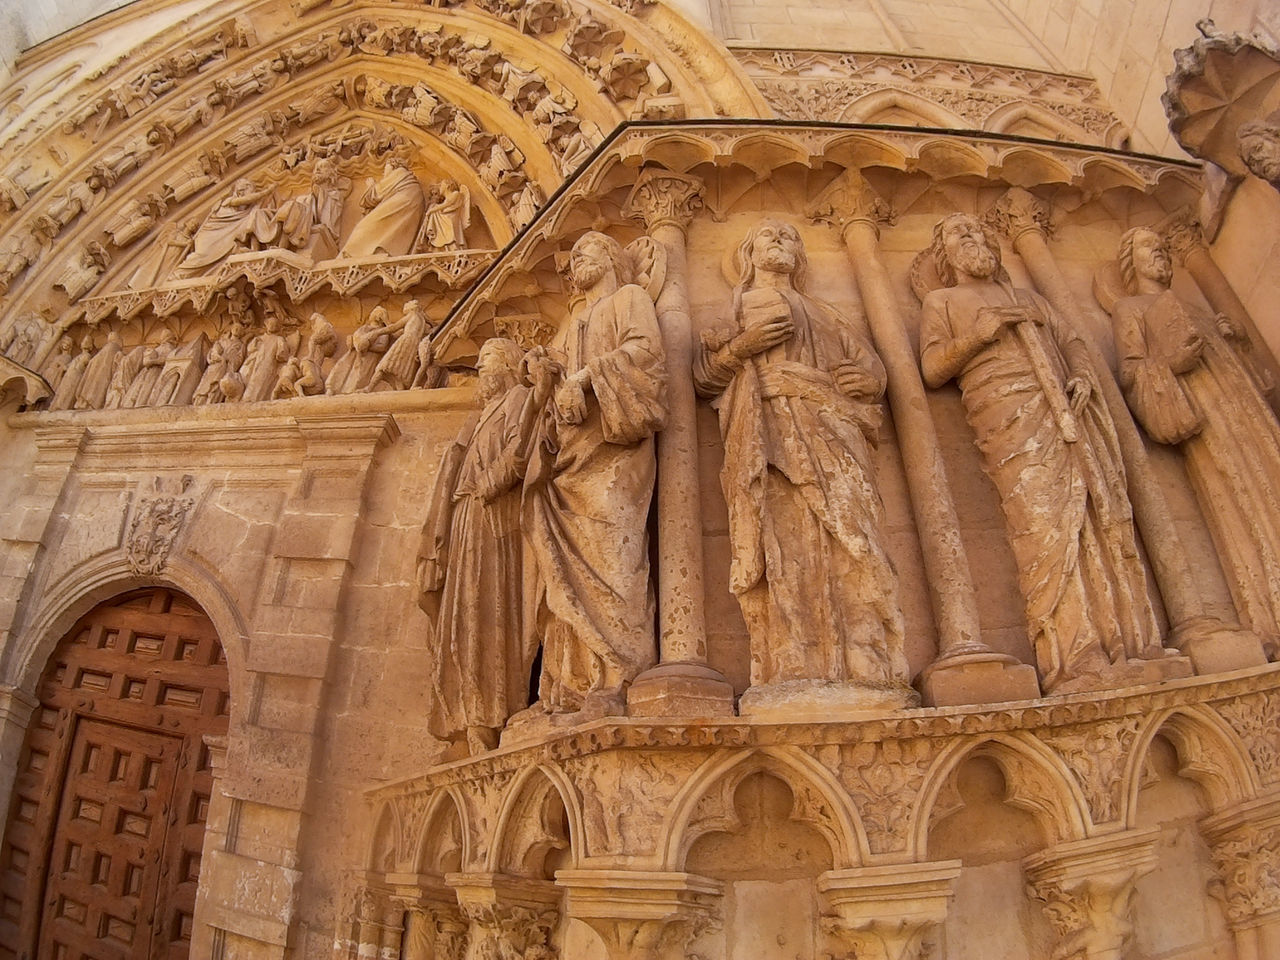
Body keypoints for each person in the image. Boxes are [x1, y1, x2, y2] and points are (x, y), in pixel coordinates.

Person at [919, 213, 1170, 693]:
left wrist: (1079, 376)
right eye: (960, 235)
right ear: (944, 258)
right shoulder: (942, 301)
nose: (974, 239)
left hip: (1069, 411)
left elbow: (1073, 343)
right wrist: (980, 333)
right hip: (1010, 419)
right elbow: (932, 368)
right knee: (1045, 527)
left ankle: (1131, 641)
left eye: (979, 231)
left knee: (1105, 516)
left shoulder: (1030, 298)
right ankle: (1075, 654)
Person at [694, 219, 912, 704]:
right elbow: (705, 379)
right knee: (781, 542)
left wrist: (866, 380)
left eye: (790, 236)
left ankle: (866, 654)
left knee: (855, 537)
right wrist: (742, 347)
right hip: (766, 431)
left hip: (833, 428)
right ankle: (792, 656)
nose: (779, 240)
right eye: (768, 235)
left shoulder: (827, 313)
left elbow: (872, 367)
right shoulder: (735, 310)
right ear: (748, 256)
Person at [1111, 227, 1280, 651]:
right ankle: (1269, 607)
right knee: (1240, 499)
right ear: (1131, 263)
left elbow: (1258, 379)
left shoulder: (1193, 307)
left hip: (1245, 411)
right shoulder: (1130, 309)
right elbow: (1131, 373)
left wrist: (1236, 343)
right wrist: (1171, 363)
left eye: (1164, 248)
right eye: (1151, 248)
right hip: (1206, 416)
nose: (1162, 255)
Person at [524, 231, 666, 713]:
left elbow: (646, 351)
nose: (575, 262)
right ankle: (571, 685)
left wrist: (584, 379)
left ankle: (620, 673)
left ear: (610, 256)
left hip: (612, 444)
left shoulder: (629, 298)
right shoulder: (571, 321)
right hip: (569, 457)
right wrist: (545, 372)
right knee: (559, 567)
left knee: (614, 553)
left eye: (585, 251)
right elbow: (555, 382)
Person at [417, 338, 553, 754]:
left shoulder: (517, 399)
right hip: (467, 521)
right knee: (462, 619)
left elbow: (520, 453)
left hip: (492, 521)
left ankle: (492, 716)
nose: (479, 367)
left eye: (487, 359)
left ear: (510, 364)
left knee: (488, 616)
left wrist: (486, 485)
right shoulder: (477, 419)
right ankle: (466, 718)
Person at [339, 157, 425, 258]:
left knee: (365, 226)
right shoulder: (406, 177)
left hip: (403, 201)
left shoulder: (399, 172)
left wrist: (371, 185)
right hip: (410, 202)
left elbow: (376, 193)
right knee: (393, 230)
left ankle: (353, 254)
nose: (384, 173)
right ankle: (380, 250)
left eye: (385, 169)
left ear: (393, 165)